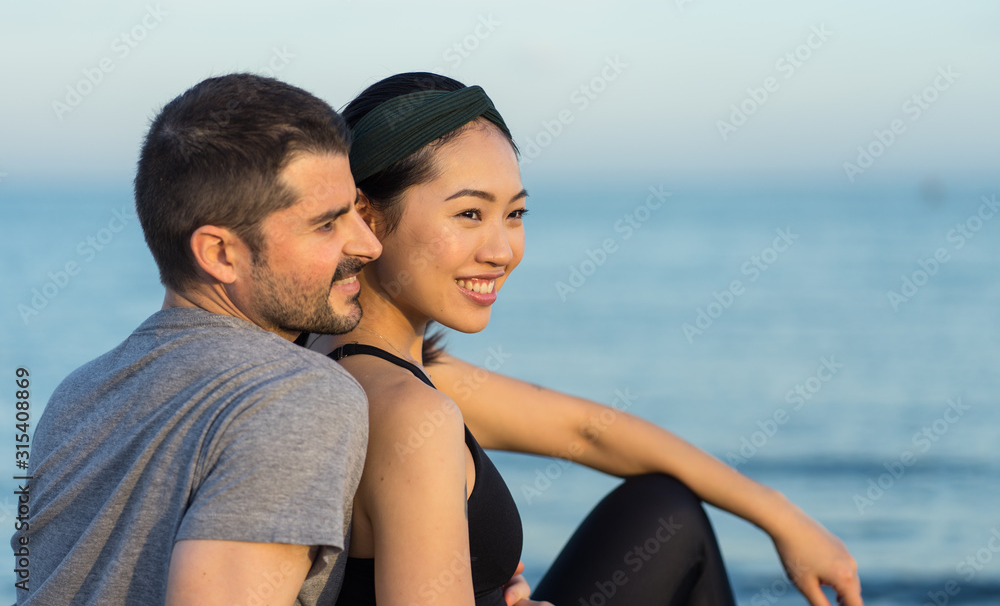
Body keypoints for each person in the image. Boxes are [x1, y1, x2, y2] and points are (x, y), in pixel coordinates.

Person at [305, 72, 864, 606]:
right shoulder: (411, 416)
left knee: (664, 509)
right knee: (672, 520)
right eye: (470, 213)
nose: (502, 250)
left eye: (515, 213)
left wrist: (780, 517)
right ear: (365, 216)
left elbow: (589, 431)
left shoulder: (342, 365)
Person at [15, 74, 382, 605]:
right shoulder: (299, 396)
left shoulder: (77, 394)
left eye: (356, 209)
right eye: (327, 224)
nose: (367, 244)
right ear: (220, 254)